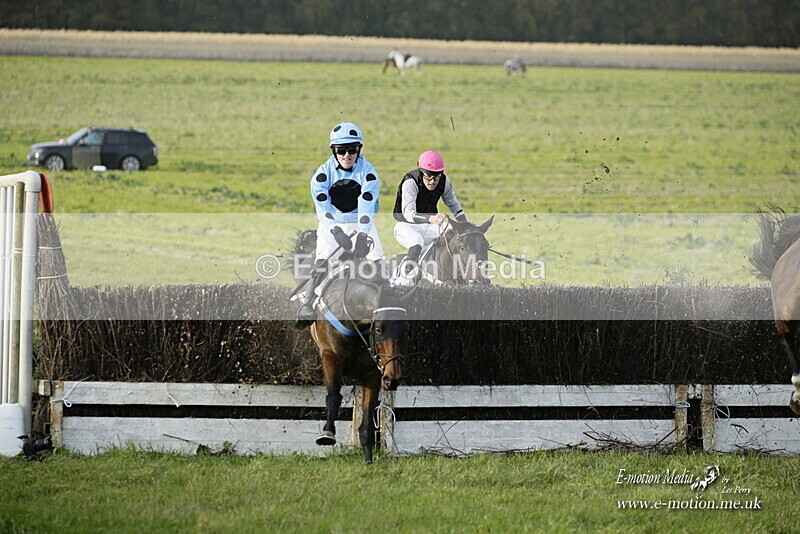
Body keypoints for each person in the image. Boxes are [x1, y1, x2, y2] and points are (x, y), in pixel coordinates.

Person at [294, 122, 384, 328]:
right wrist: (335, 231)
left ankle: (387, 302)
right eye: (341, 150)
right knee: (323, 261)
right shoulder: (321, 175)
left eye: (352, 149)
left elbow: (366, 206)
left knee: (378, 260)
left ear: (359, 149)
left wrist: (362, 235)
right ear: (334, 151)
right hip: (331, 223)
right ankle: (307, 305)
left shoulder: (368, 173)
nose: (347, 155)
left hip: (362, 221)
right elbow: (323, 208)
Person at [392, 150, 467, 285]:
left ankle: (454, 271)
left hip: (428, 226)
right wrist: (431, 219)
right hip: (406, 226)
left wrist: (465, 226)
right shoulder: (410, 182)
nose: (432, 181)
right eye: (428, 177)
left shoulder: (444, 181)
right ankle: (404, 279)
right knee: (417, 240)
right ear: (420, 171)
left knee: (452, 232)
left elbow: (453, 204)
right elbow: (409, 214)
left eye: (436, 177)